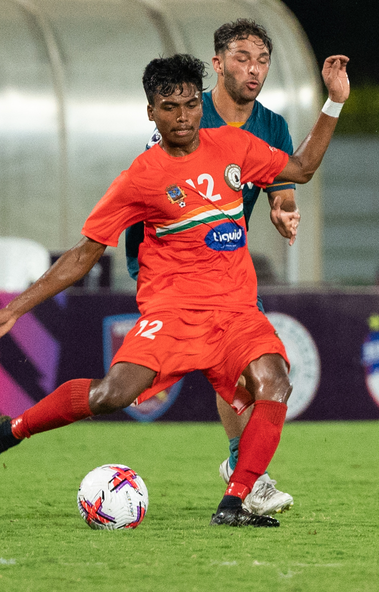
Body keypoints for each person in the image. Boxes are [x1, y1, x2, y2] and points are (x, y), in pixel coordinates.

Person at [0, 52, 350, 528]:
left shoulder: (236, 145)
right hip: (174, 311)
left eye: (189, 105)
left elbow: (300, 168)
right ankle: (7, 433)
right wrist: (13, 311)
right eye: (168, 107)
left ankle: (236, 501)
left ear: (200, 104)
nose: (182, 117)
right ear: (150, 112)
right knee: (110, 396)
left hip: (235, 310)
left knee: (275, 381)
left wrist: (334, 103)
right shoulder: (140, 177)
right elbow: (82, 255)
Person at [125, 19, 299, 516]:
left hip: (223, 265)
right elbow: (152, 179)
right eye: (243, 58)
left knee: (252, 372)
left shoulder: (272, 125)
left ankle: (244, 473)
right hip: (167, 264)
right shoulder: (187, 110)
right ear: (219, 63)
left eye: (263, 60)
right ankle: (246, 473)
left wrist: (282, 210)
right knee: (212, 369)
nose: (254, 69)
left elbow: (282, 188)